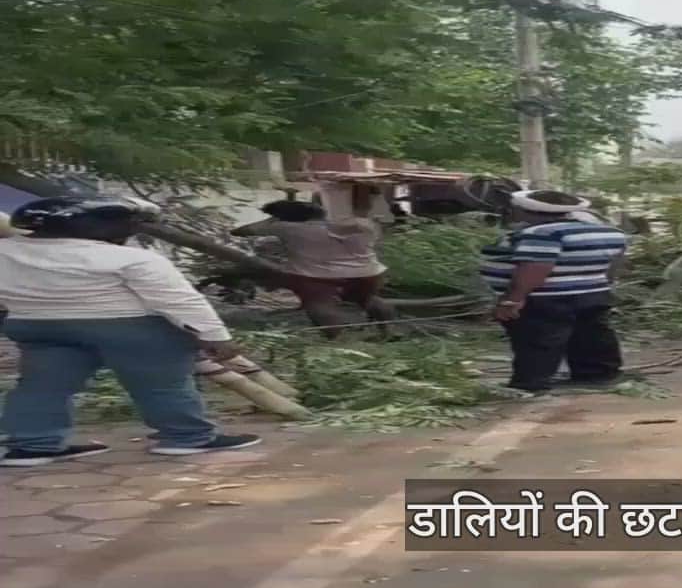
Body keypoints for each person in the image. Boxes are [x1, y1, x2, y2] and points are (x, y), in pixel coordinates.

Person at [0, 196, 260, 467]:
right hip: (129, 327)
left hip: (38, 326)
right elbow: (178, 300)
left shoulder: (4, 251)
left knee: (41, 387)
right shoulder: (130, 258)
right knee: (162, 385)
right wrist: (215, 336)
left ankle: (32, 446)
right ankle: (188, 438)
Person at [480, 190, 628, 393]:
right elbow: (614, 263)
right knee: (592, 333)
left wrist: (514, 299)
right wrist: (603, 284)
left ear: (526, 211)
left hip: (544, 297)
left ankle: (531, 383)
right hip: (593, 291)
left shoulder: (541, 234)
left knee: (538, 339)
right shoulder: (608, 231)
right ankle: (598, 374)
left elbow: (536, 267)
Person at [232, 200, 394, 338]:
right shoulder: (362, 225)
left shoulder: (285, 227)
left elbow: (240, 232)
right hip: (368, 272)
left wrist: (272, 220)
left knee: (319, 305)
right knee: (369, 299)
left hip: (316, 275)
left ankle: (338, 342)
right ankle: (388, 331)